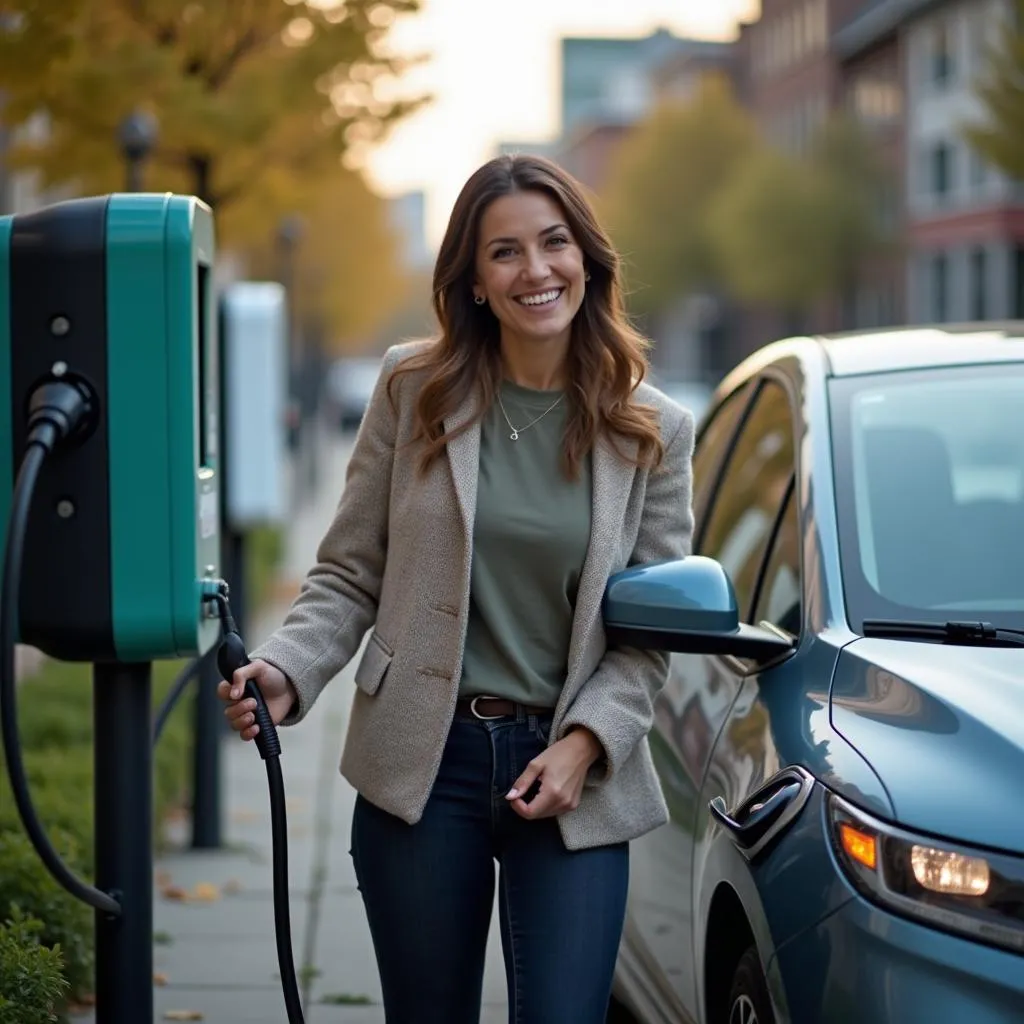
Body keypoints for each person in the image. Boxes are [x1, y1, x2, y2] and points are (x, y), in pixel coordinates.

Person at [218, 153, 695, 1024]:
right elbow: (350, 570)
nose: (536, 270)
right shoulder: (415, 387)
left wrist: (588, 742)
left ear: (587, 258)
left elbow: (649, 632)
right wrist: (289, 669)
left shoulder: (653, 428)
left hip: (571, 779)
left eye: (554, 243)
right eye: (504, 252)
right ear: (474, 281)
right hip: (421, 769)